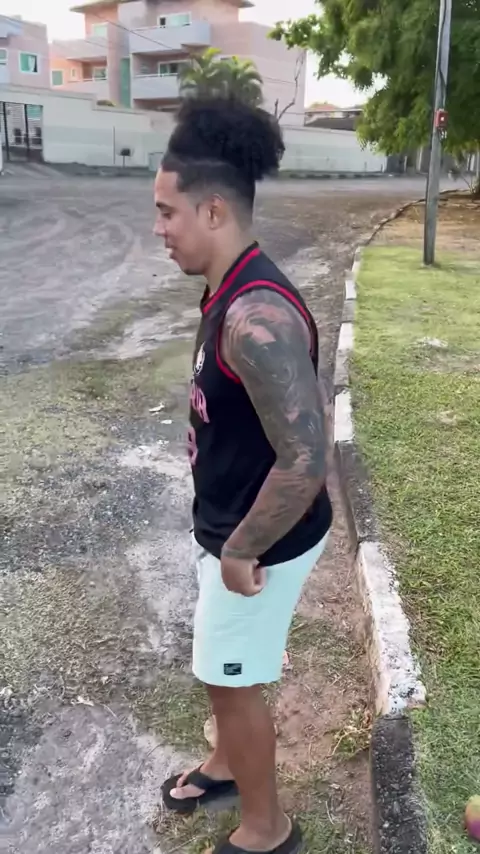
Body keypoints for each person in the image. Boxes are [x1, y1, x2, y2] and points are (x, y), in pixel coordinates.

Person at [154, 96, 332, 854]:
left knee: (232, 678)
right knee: (218, 664)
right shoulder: (225, 288)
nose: (159, 229)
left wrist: (239, 549)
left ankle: (267, 829)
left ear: (214, 210)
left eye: (167, 212)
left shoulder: (256, 316)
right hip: (230, 526)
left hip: (262, 543)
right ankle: (228, 765)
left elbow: (307, 459)